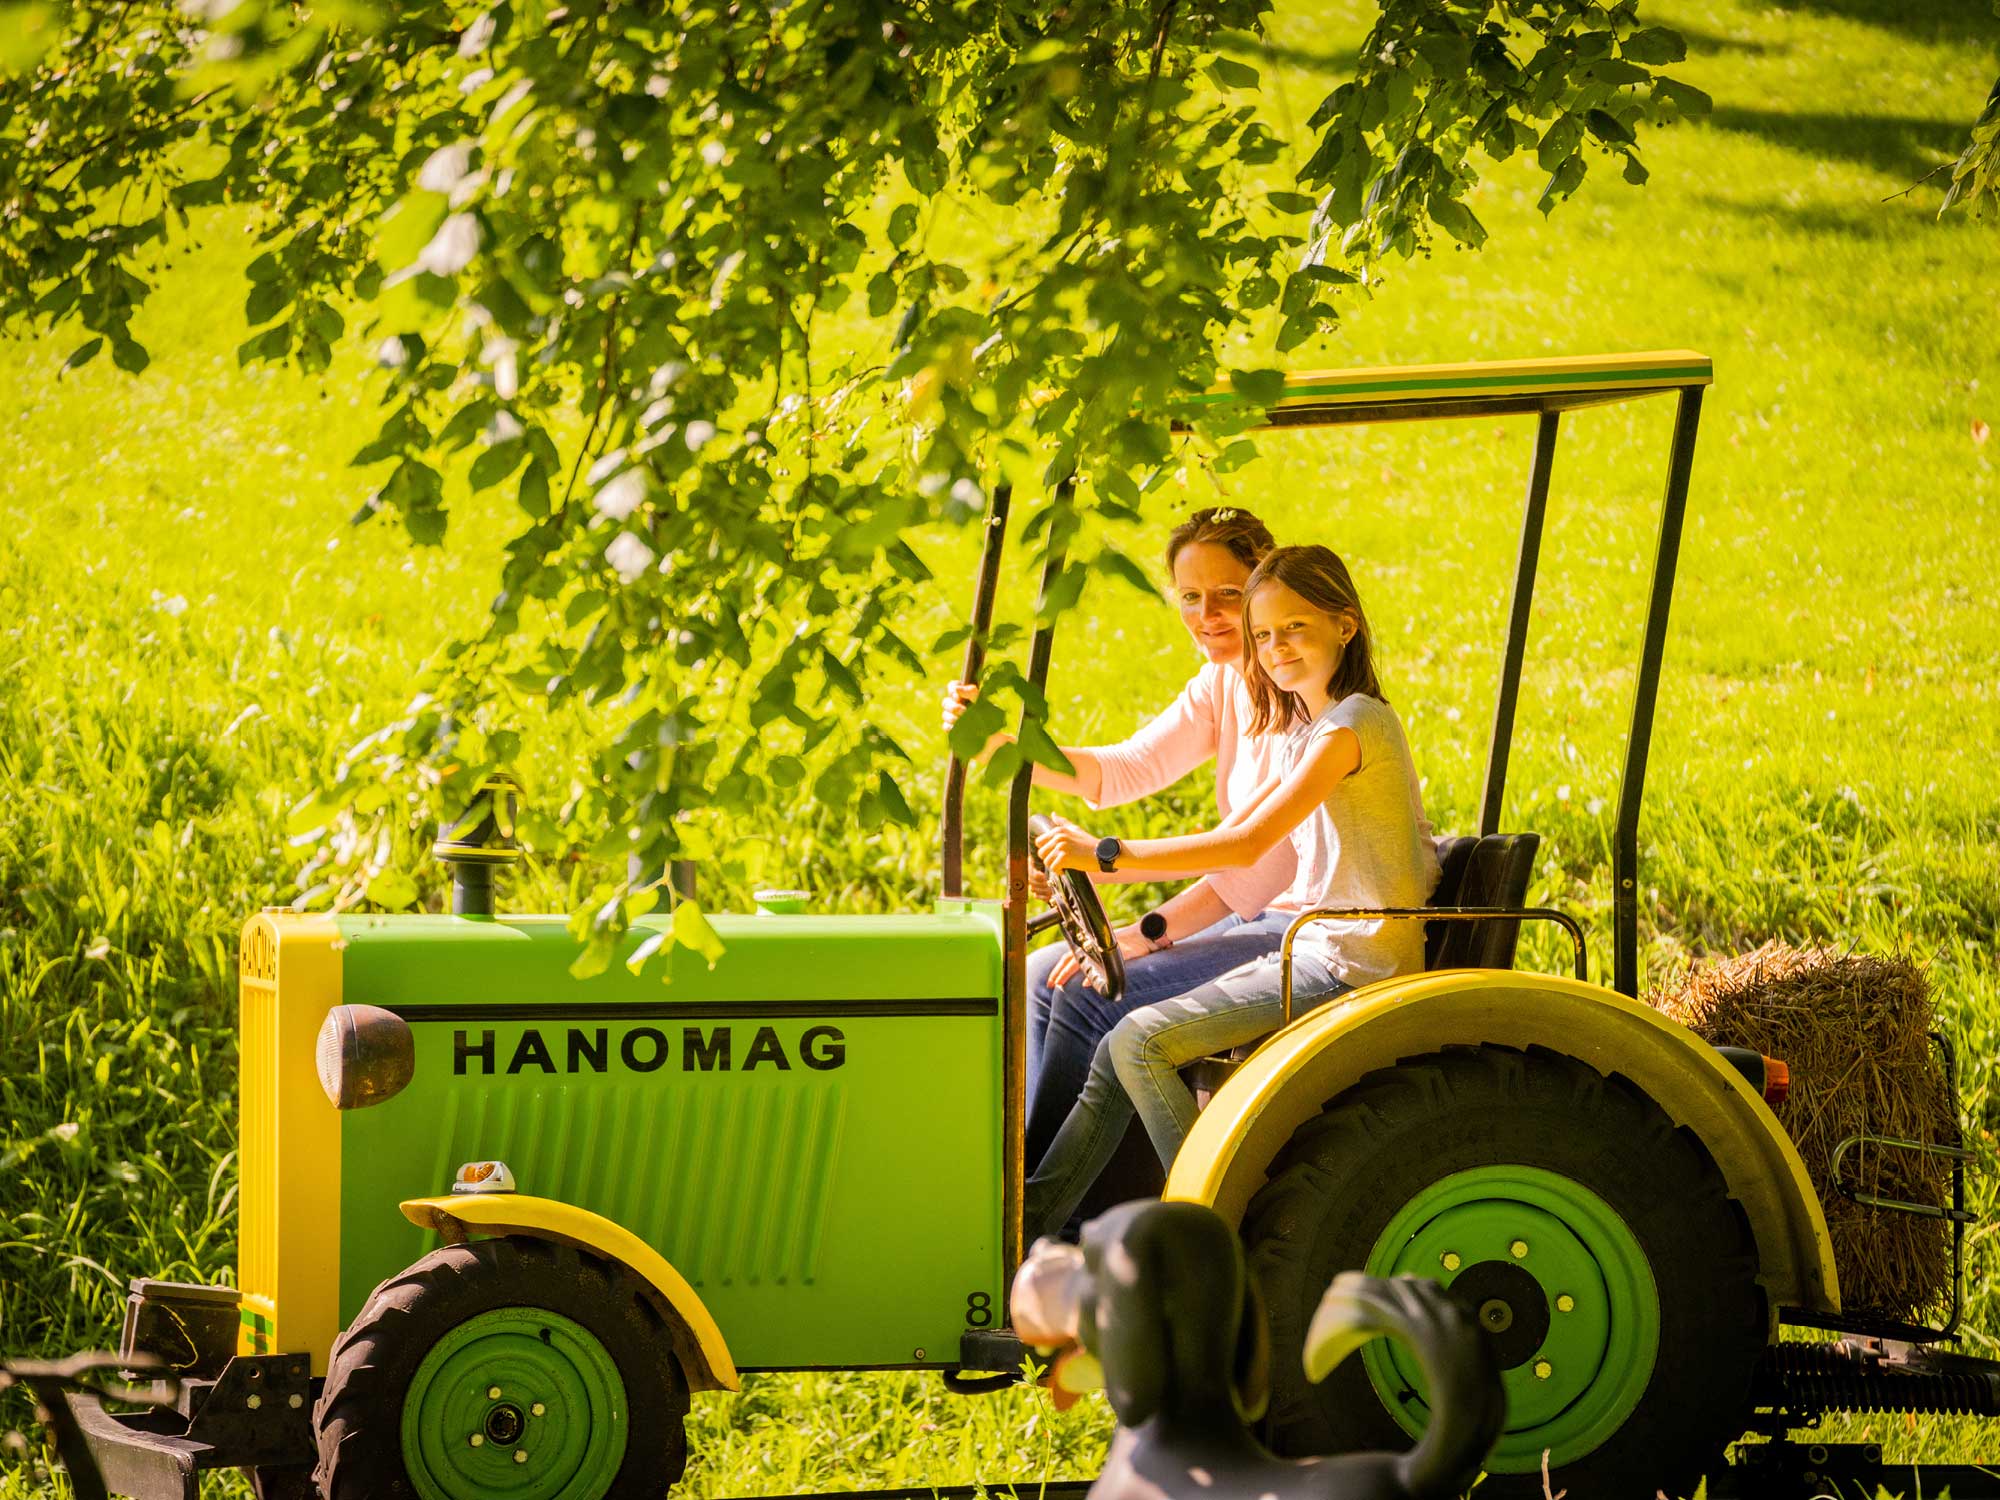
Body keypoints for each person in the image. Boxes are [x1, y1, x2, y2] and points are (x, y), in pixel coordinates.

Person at [1025, 544, 1440, 1240]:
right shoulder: (1306, 733)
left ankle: (1215, 1229)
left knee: (1141, 1043)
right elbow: (1239, 835)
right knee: (1116, 1044)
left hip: (1354, 964)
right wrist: (1102, 868)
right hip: (1315, 952)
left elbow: (1247, 848)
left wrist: (1105, 855)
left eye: (1296, 630)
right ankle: (1031, 1225)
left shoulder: (1355, 726)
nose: (1278, 649)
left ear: (1346, 626)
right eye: (1265, 636)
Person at [941, 507, 1300, 1170]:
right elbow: (1128, 767)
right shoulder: (1225, 681)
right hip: (1252, 917)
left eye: (1227, 594)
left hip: (1302, 928)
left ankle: (1036, 1192)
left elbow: (1259, 867)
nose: (1207, 615)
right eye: (1191, 598)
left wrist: (1148, 930)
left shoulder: (1297, 692)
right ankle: (1016, 1162)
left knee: (1088, 990)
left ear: (1265, 585)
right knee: (1043, 971)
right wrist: (1004, 741)